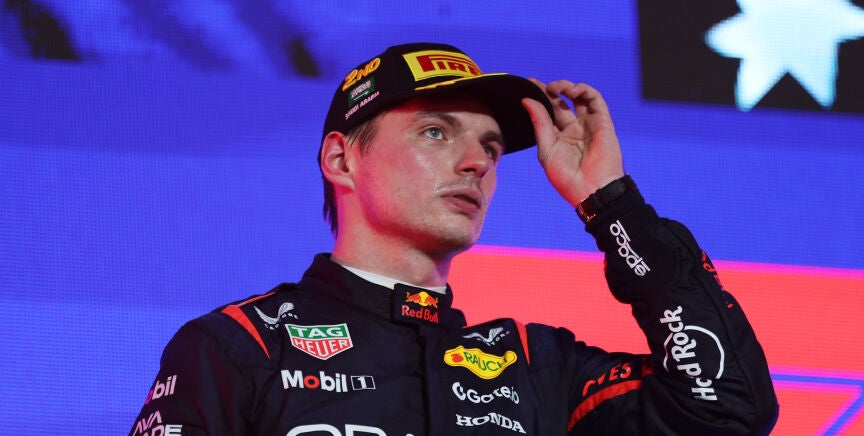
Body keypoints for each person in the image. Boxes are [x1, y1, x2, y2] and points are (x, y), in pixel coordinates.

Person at [130, 42, 778, 435]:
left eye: (490, 147)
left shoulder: (535, 369)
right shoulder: (241, 347)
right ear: (341, 160)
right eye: (435, 132)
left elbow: (728, 410)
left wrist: (611, 204)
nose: (476, 163)